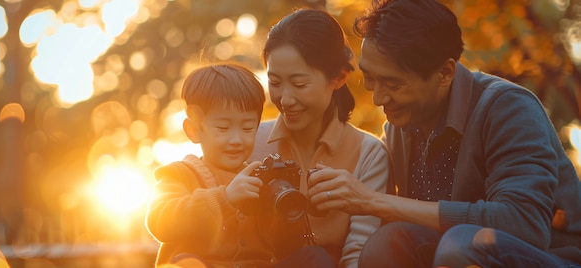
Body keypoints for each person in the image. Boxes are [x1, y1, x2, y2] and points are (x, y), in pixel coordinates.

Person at [304, 0, 581, 267]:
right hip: (449, 255)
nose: (377, 97)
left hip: (553, 258)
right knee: (388, 242)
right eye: (370, 77)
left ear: (445, 73)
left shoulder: (508, 107)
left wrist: (374, 201)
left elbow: (524, 224)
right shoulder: (400, 127)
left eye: (393, 83)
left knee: (464, 243)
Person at [144, 64, 335, 268]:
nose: (236, 139)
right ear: (193, 130)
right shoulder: (180, 174)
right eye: (223, 128)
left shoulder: (263, 178)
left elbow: (285, 247)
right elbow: (160, 222)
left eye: (247, 128)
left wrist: (297, 209)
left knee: (314, 257)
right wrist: (224, 199)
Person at [249, 8, 390, 268]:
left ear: (338, 78)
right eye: (275, 82)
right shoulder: (250, 143)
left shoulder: (368, 155)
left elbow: (359, 253)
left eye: (300, 84)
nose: (285, 99)